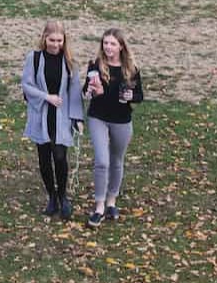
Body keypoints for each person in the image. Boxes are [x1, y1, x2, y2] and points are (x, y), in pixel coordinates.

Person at [20, 21, 85, 218]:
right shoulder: (35, 58)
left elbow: (74, 92)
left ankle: (63, 196)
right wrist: (46, 97)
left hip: (61, 116)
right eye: (52, 40)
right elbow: (27, 85)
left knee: (59, 156)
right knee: (44, 158)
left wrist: (77, 118)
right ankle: (52, 197)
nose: (55, 44)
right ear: (44, 38)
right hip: (41, 114)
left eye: (59, 40)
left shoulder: (69, 62)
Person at [83, 28, 144, 227]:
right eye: (105, 43)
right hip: (98, 117)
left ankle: (111, 201)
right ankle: (99, 206)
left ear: (121, 47)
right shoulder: (95, 65)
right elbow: (86, 91)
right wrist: (91, 91)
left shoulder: (131, 68)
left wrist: (130, 97)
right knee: (102, 161)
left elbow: (139, 96)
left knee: (116, 160)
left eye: (112, 44)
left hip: (121, 119)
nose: (108, 47)